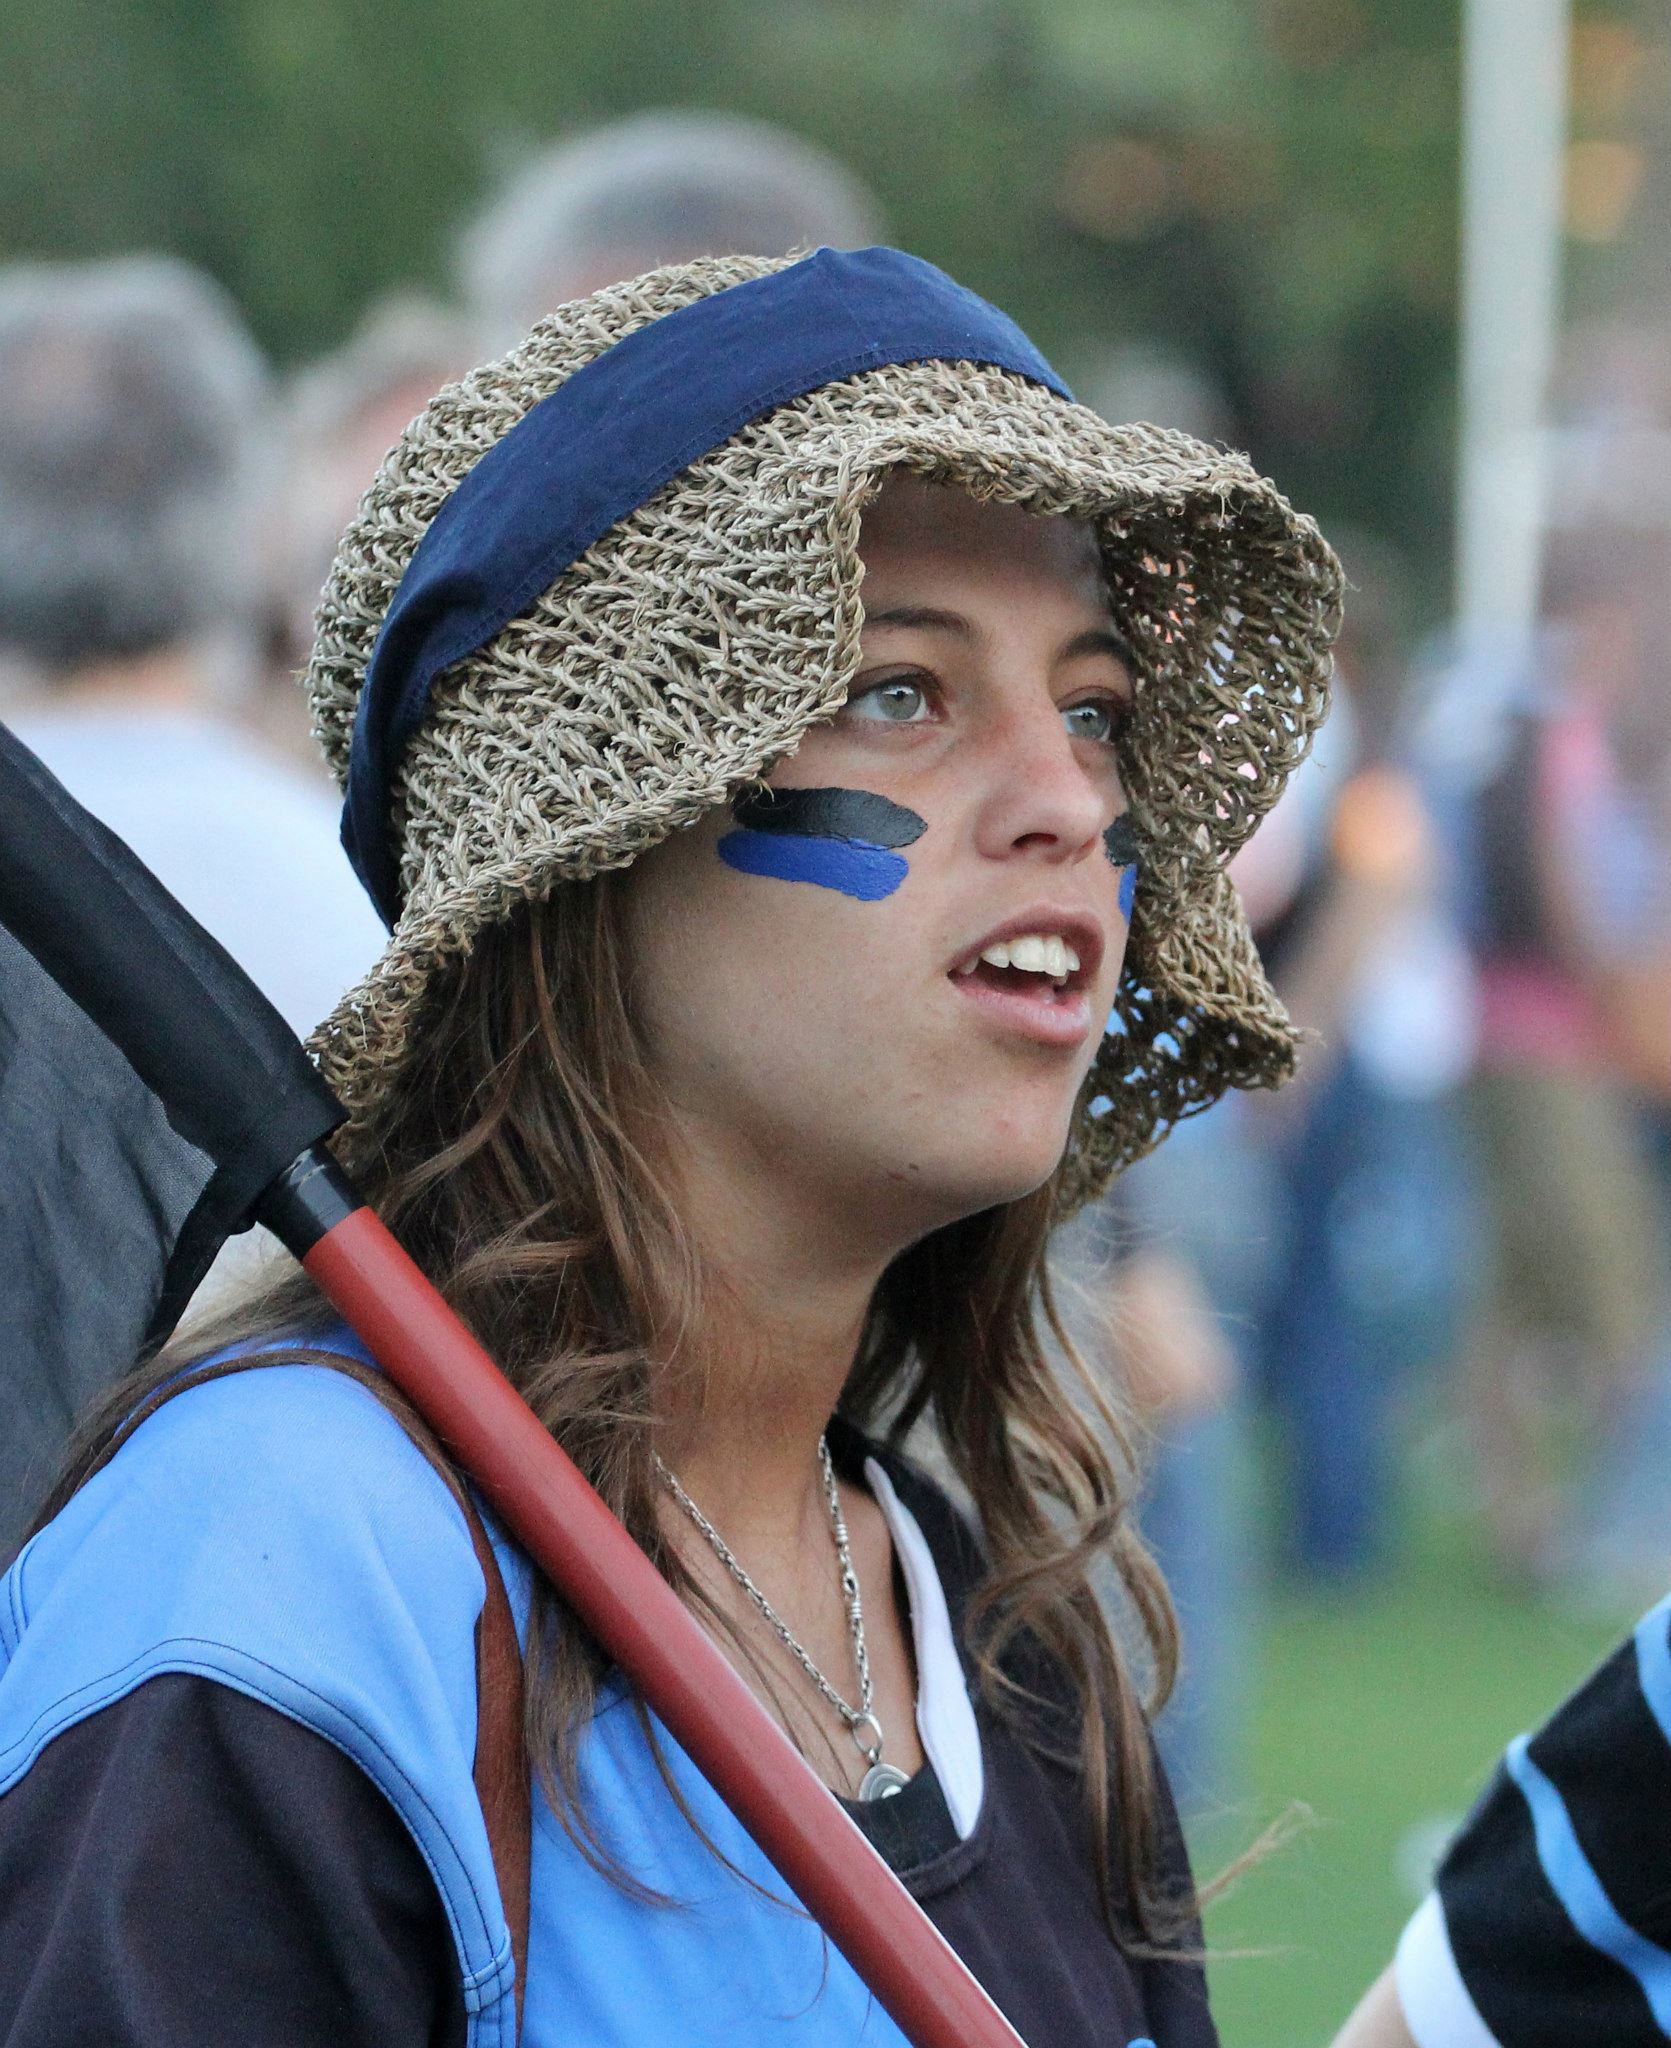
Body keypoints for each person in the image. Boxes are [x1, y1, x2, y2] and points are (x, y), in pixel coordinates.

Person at [0, 246, 1339, 2045]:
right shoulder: (283, 1576)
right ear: (587, 846)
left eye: (1093, 708)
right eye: (900, 693)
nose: (1072, 799)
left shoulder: (997, 1638)